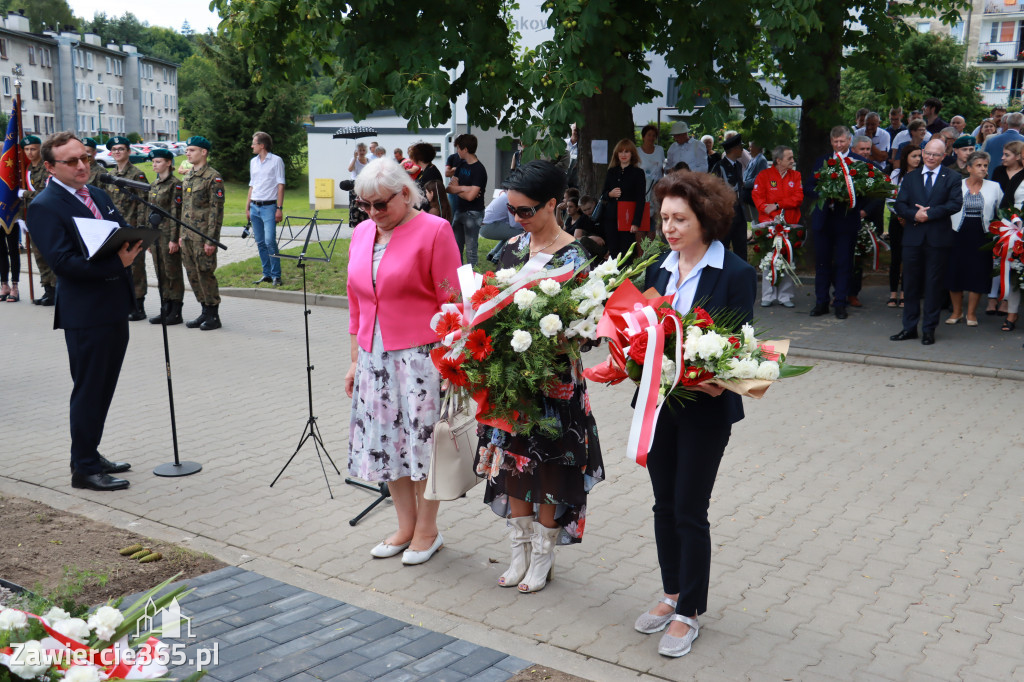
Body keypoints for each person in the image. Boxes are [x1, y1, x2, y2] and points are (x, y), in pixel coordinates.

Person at [635, 170, 756, 659]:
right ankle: (671, 592)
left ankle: (690, 611)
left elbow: (741, 349)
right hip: (659, 405)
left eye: (679, 219)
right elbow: (641, 333)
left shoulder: (736, 274)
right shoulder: (658, 270)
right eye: (664, 218)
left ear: (706, 218)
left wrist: (714, 375)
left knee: (689, 508)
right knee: (663, 505)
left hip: (705, 408)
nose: (669, 228)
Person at [474, 160, 604, 594]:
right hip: (508, 382)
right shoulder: (510, 248)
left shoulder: (575, 257)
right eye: (510, 210)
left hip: (554, 386)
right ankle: (519, 551)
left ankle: (543, 558)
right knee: (511, 462)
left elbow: (589, 332)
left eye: (525, 211)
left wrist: (562, 335)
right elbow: (486, 306)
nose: (516, 219)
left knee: (548, 468)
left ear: (553, 204)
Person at [345, 158, 461, 566]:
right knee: (386, 444)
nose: (373, 213)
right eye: (365, 206)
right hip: (375, 357)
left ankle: (428, 530)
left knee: (423, 444)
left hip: (420, 358)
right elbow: (356, 302)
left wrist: (452, 365)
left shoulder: (435, 230)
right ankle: (405, 525)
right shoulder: (362, 233)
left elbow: (452, 302)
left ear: (406, 194)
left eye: (380, 205)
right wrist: (355, 361)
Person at [26, 131, 138, 491]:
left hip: (114, 305)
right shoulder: (45, 205)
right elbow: (63, 263)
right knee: (89, 389)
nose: (81, 166)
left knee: (104, 387)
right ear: (50, 167)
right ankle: (84, 470)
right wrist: (116, 264)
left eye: (85, 158)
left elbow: (118, 233)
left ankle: (88, 452)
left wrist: (136, 241)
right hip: (85, 313)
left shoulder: (99, 194)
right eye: (71, 161)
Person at [890, 139, 963, 345]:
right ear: (923, 153)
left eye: (936, 155)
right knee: (911, 284)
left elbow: (955, 203)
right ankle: (909, 328)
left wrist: (928, 215)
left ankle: (929, 329)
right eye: (928, 153)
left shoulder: (952, 177)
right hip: (913, 238)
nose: (931, 157)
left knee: (933, 285)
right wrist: (915, 215)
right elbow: (900, 204)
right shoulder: (911, 177)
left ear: (943, 156)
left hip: (938, 239)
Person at [806, 126, 870, 319]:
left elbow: (871, 190)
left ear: (849, 141)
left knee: (844, 263)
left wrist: (856, 203)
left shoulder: (860, 162)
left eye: (842, 141)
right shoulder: (822, 161)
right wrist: (824, 193)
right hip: (824, 220)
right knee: (822, 263)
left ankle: (840, 302)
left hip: (846, 220)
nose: (839, 145)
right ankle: (821, 302)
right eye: (835, 142)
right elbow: (808, 186)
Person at [946, 151, 1002, 328]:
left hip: (981, 235)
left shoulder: (994, 187)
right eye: (979, 165)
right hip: (957, 233)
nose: (983, 169)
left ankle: (971, 314)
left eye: (985, 165)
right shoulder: (957, 184)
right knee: (955, 272)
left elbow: (1000, 212)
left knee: (978, 273)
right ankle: (956, 312)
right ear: (969, 168)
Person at [176, 136, 225, 331]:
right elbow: (184, 209)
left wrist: (211, 239)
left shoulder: (213, 177)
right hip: (187, 235)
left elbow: (216, 211)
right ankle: (204, 310)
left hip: (203, 235)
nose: (187, 153)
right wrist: (181, 234)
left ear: (203, 152)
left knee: (205, 272)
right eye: (187, 150)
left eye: (192, 150)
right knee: (192, 273)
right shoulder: (188, 176)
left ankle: (213, 314)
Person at [99, 136, 150, 321]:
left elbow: (144, 204)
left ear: (128, 151)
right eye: (114, 149)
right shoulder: (110, 176)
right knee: (119, 268)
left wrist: (141, 228)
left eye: (121, 148)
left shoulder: (137, 174)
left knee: (136, 268)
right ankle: (125, 303)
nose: (117, 152)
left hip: (132, 227)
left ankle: (138, 306)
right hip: (115, 230)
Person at [751, 145, 803, 307]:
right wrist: (772, 214)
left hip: (790, 224)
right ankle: (768, 295)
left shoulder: (795, 176)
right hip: (769, 225)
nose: (793, 161)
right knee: (769, 260)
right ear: (778, 160)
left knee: (787, 260)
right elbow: (758, 198)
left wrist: (777, 204)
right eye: (789, 158)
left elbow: (798, 198)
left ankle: (785, 296)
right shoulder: (764, 175)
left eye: (793, 158)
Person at [145, 149, 186, 326]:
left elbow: (176, 213)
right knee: (160, 271)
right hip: (155, 235)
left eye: (159, 161)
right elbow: (149, 211)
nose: (155, 164)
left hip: (168, 234)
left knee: (172, 272)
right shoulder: (154, 184)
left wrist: (174, 238)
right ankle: (165, 308)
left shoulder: (175, 185)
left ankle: (176, 311)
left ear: (169, 163)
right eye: (153, 161)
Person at [988, 141, 1024, 323]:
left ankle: (1011, 308)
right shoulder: (1010, 175)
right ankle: (1004, 306)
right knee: (1009, 264)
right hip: (1012, 224)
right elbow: (1004, 202)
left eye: (1007, 155)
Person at [886, 145, 924, 308]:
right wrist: (900, 215)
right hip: (897, 220)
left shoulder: (923, 175)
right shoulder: (896, 174)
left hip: (914, 220)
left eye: (919, 156)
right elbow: (889, 197)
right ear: (905, 157)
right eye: (914, 156)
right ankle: (893, 293)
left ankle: (905, 293)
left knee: (910, 259)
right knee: (896, 257)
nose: (917, 159)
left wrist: (910, 216)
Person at [246, 131, 286, 286]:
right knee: (260, 241)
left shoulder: (276, 161)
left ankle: (277, 275)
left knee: (270, 240)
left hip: (269, 207)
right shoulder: (253, 162)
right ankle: (266, 274)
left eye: (254, 143)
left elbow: (280, 185)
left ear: (261, 145)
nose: (252, 146)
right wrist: (247, 206)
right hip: (255, 206)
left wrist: (279, 208)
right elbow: (252, 185)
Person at [22, 136, 57, 306]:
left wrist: (25, 194)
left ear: (40, 149)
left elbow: (47, 194)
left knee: (50, 254)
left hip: (48, 217)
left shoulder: (47, 168)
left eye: (33, 149)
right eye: (27, 149)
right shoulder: (28, 168)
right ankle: (48, 290)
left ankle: (57, 290)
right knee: (38, 254)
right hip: (33, 218)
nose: (30, 152)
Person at [598, 138, 647, 258]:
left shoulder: (638, 173)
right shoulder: (611, 171)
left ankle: (625, 277)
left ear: (632, 154)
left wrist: (636, 222)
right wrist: (610, 194)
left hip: (628, 219)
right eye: (621, 152)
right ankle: (613, 277)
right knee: (613, 252)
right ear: (617, 154)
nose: (623, 155)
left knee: (626, 254)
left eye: (627, 152)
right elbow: (603, 194)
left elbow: (641, 199)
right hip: (610, 218)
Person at [446, 134, 487, 266]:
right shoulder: (461, 164)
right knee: (455, 249)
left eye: (458, 148)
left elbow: (471, 197)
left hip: (473, 213)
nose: (457, 151)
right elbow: (450, 188)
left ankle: (472, 281)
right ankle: (457, 279)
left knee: (471, 251)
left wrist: (459, 188)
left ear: (465, 149)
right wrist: (466, 188)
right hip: (460, 211)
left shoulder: (479, 169)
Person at [711, 134, 748, 260]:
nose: (742, 150)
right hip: (726, 213)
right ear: (734, 149)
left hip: (739, 213)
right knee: (722, 246)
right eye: (740, 147)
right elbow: (713, 190)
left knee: (741, 247)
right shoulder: (719, 166)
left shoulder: (737, 165)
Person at [409, 142, 450, 223]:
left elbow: (430, 196)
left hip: (426, 213)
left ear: (419, 157)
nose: (411, 159)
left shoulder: (431, 172)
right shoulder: (426, 170)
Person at [563, 194, 606, 260]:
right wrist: (592, 238)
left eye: (589, 208)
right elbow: (576, 238)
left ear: (594, 204)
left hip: (606, 243)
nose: (588, 212)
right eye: (584, 210)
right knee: (583, 239)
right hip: (593, 248)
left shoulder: (602, 212)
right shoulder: (582, 218)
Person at [982, 111, 1024, 179]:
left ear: (1007, 123)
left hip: (993, 179)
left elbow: (983, 159)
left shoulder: (991, 140)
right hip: (1016, 181)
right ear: (1023, 125)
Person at [347, 143, 370, 227]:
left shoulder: (369, 160)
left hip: (365, 185)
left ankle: (365, 223)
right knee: (355, 206)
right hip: (355, 185)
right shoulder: (354, 160)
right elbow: (349, 169)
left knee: (365, 204)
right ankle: (355, 224)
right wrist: (354, 158)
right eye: (360, 150)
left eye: (363, 150)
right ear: (357, 151)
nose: (362, 152)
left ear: (366, 151)